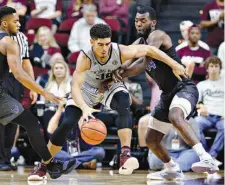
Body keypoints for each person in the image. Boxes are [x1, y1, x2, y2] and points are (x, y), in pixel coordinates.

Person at [29, 22, 188, 179]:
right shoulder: (85, 58)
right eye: (100, 44)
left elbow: (149, 49)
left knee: (124, 100)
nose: (105, 48)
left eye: (107, 44)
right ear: (92, 42)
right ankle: (44, 165)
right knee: (67, 123)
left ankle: (125, 155)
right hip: (86, 90)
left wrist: (174, 64)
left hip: (109, 86)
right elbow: (75, 87)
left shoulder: (119, 51)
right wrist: (84, 108)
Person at [113, 6, 219, 180]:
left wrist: (122, 73)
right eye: (137, 21)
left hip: (184, 88)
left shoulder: (158, 35)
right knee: (151, 140)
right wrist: (114, 69)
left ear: (152, 23)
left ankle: (207, 158)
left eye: (143, 20)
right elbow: (123, 59)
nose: (139, 24)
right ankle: (171, 168)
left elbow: (143, 64)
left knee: (175, 116)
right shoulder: (139, 43)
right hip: (167, 94)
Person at [0, 6, 77, 179]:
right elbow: (19, 73)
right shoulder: (8, 41)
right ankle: (51, 165)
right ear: (4, 24)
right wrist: (44, 92)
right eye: (15, 21)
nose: (19, 24)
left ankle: (51, 165)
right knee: (32, 124)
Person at [0, 31, 37, 171]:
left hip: (16, 81)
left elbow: (26, 63)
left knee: (12, 121)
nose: (18, 23)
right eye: (14, 20)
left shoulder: (21, 37)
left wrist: (33, 87)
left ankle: (6, 159)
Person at [195, 56, 224, 164]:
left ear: (220, 68)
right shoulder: (201, 85)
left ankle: (211, 157)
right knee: (195, 124)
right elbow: (196, 102)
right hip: (206, 117)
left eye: (216, 66)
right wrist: (201, 107)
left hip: (222, 117)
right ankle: (206, 155)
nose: (214, 69)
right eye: (211, 66)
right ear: (207, 68)